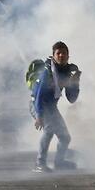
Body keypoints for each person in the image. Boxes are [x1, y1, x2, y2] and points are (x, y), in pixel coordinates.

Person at [30, 41, 81, 173]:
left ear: (68, 56)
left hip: (51, 107)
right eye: (58, 53)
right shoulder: (47, 73)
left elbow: (71, 98)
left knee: (65, 137)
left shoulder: (67, 72)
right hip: (38, 104)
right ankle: (39, 163)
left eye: (64, 53)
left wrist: (75, 83)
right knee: (49, 130)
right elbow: (39, 95)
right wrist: (39, 116)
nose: (61, 56)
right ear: (53, 56)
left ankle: (59, 162)